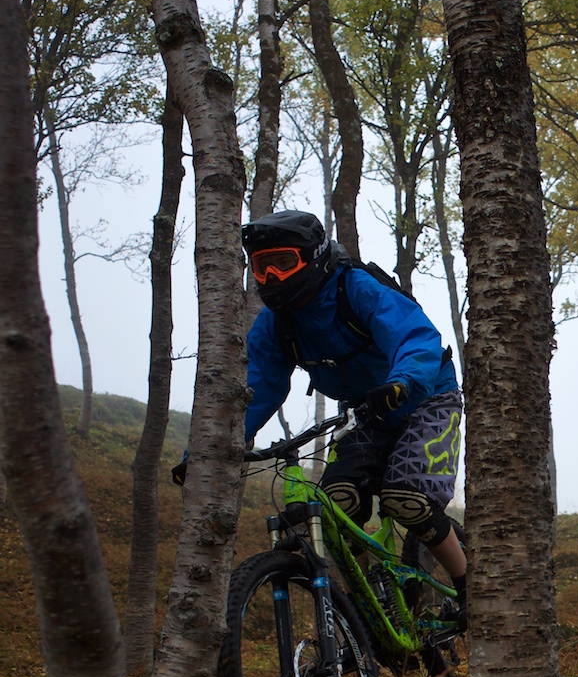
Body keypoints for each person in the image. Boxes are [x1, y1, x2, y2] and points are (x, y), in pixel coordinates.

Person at [185, 210, 468, 609]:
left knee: (407, 499)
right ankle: (376, 601)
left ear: (314, 256)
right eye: (262, 268)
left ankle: (469, 585)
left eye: (284, 264)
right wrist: (204, 452)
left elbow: (415, 335)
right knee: (339, 499)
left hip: (424, 396)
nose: (272, 279)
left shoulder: (355, 287)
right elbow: (257, 388)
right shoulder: (275, 324)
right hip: (367, 410)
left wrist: (403, 381)